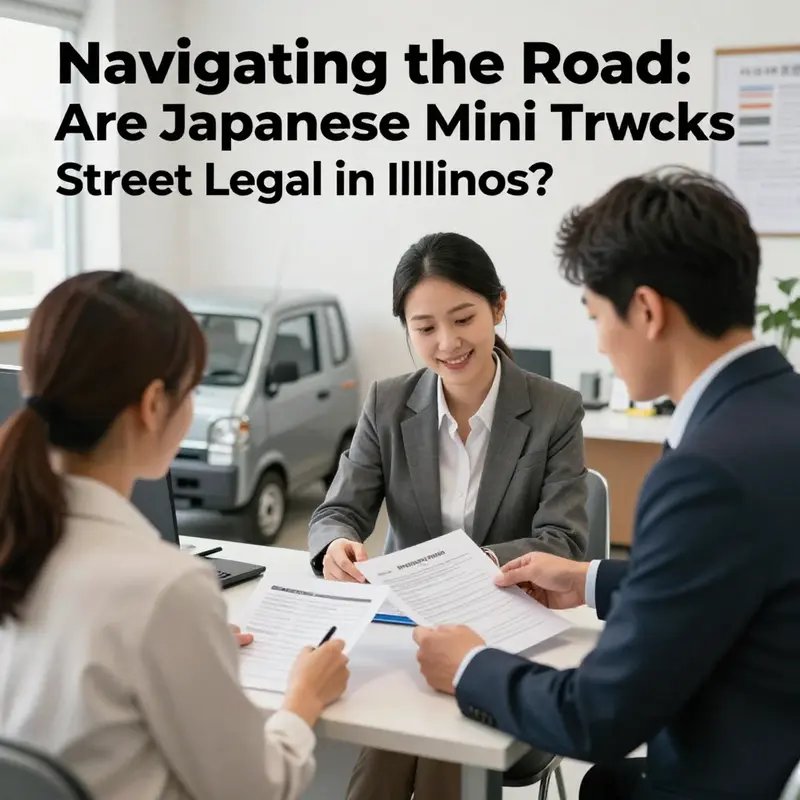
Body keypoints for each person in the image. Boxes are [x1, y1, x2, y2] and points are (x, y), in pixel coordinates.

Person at [412, 167, 800, 799]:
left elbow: (597, 716)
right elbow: (736, 579)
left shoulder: (707, 471)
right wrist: (588, 579)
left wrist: (470, 665)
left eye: (596, 317)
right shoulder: (778, 412)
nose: (598, 344)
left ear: (646, 310)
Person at [0, 271, 350, 800]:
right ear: (153, 404)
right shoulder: (164, 587)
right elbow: (257, 788)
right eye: (195, 388)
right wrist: (303, 698)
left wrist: (191, 646)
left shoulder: (22, 538)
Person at [307, 232, 590, 800]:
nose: (448, 342)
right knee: (400, 732)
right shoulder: (388, 404)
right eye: (425, 327)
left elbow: (563, 540)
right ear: (407, 329)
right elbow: (337, 510)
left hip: (505, 635)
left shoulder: (554, 409)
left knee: (434, 737)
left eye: (463, 318)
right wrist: (336, 545)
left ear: (499, 307)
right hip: (405, 633)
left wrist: (473, 567)